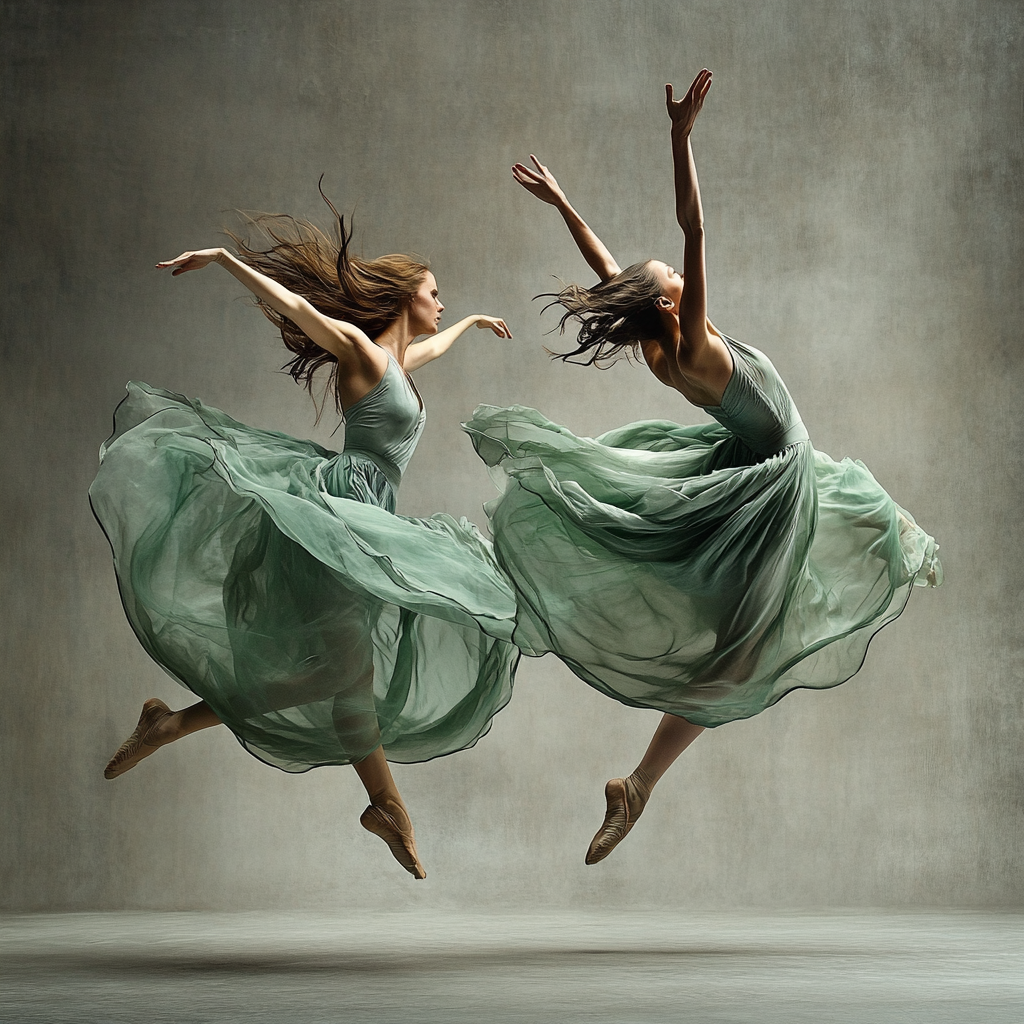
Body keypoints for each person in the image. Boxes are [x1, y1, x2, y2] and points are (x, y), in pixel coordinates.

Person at [464, 69, 941, 865]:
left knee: (807, 585)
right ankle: (640, 784)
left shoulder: (659, 342)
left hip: (769, 464)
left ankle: (641, 783)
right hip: (777, 478)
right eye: (674, 278)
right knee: (744, 649)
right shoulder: (691, 343)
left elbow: (615, 272)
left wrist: (567, 207)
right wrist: (680, 138)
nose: (680, 273)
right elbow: (695, 226)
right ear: (669, 302)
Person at [91, 200, 519, 880]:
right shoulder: (360, 351)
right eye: (438, 295)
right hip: (343, 509)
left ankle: (175, 726)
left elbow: (431, 345)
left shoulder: (401, 363)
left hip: (372, 513)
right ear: (409, 295)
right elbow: (298, 307)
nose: (442, 304)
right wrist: (226, 261)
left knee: (340, 674)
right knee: (348, 671)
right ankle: (383, 804)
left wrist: (471, 322)